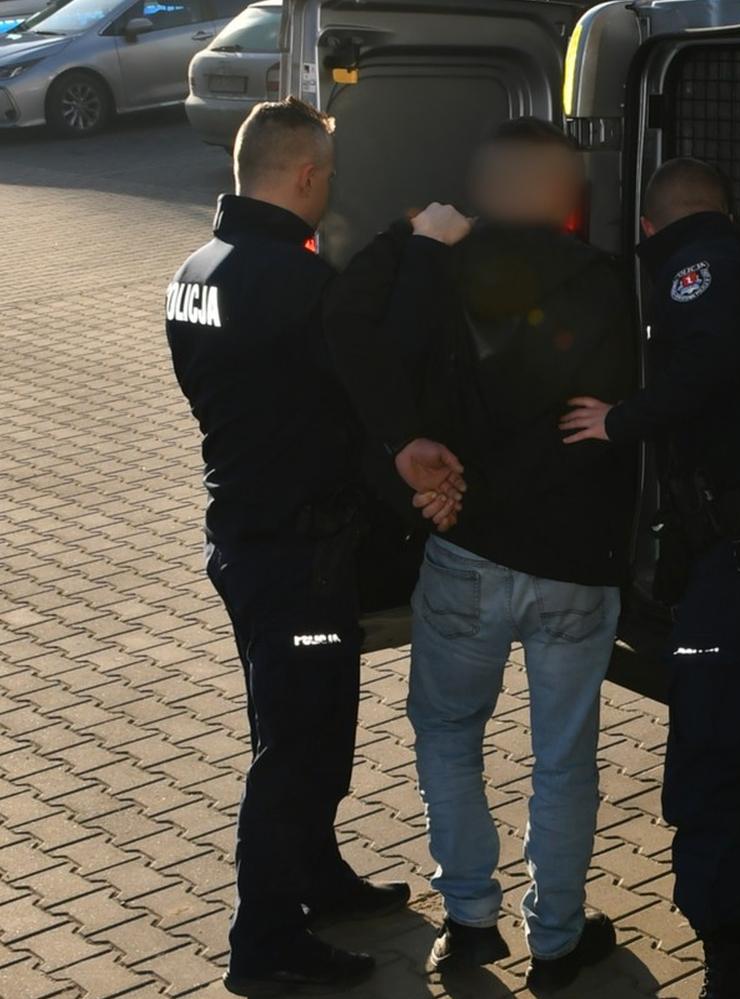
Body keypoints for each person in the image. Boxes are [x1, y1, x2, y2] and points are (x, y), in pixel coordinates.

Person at [323, 117, 637, 993]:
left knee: (449, 735)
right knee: (563, 757)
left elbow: (355, 332)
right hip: (574, 563)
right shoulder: (605, 283)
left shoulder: (439, 266)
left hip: (465, 551)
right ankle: (557, 939)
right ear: (566, 191)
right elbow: (607, 422)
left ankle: (468, 923)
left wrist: (440, 486)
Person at [164, 97, 468, 994]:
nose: (329, 188)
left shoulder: (196, 270)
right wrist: (422, 252)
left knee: (301, 728)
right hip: (300, 556)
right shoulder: (293, 283)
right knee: (298, 751)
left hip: (245, 538)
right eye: (327, 175)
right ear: (304, 175)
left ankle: (318, 880)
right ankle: (264, 941)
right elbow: (379, 361)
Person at [561, 158, 740, 999]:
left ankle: (732, 959)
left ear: (653, 226)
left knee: (714, 757)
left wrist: (621, 420)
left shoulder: (700, 268)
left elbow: (708, 362)